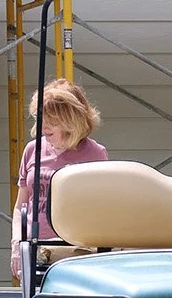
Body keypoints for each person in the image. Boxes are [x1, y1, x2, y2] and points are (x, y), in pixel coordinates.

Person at [10, 78, 108, 275]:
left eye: (51, 122)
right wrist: (17, 244)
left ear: (71, 120)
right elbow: (21, 205)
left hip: (76, 252)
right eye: (40, 120)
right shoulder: (32, 150)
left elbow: (102, 210)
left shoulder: (95, 154)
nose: (43, 128)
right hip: (34, 250)